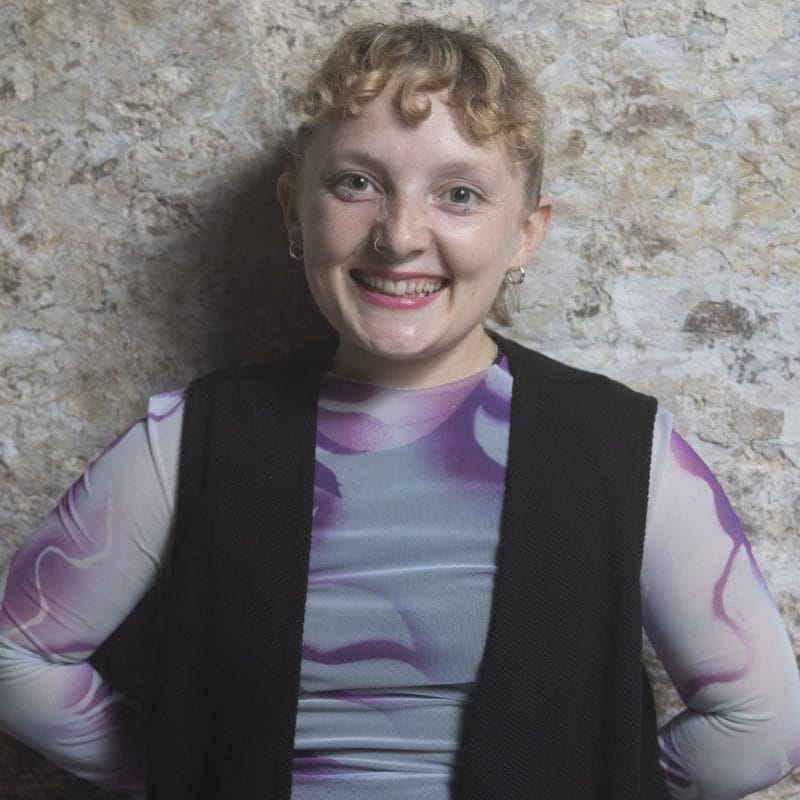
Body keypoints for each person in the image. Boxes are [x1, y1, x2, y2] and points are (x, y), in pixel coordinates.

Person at [1, 19, 799, 800]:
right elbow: (15, 657)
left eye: (458, 194)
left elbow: (762, 727)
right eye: (357, 182)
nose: (400, 235)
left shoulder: (622, 451)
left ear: (526, 234)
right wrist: (188, 769)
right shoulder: (190, 441)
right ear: (293, 209)